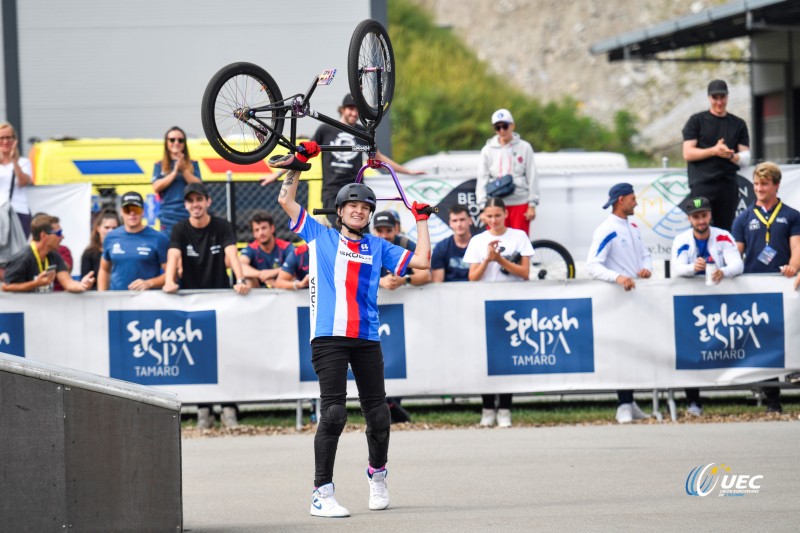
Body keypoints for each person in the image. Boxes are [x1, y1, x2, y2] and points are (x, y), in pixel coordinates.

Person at [274, 141, 431, 518]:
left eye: (365, 207)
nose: (359, 211)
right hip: (328, 337)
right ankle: (321, 492)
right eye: (352, 206)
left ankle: (377, 476)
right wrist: (297, 164)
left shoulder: (379, 246)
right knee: (333, 415)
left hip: (366, 338)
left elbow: (423, 262)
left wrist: (422, 221)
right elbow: (286, 200)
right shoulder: (319, 235)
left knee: (379, 415)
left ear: (370, 214)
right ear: (341, 211)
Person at [163, 182, 250, 429]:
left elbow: (232, 253)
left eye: (199, 199)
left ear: (208, 202)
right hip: (193, 302)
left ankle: (229, 407)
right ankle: (204, 409)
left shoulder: (221, 225)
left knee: (227, 354)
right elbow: (173, 256)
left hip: (222, 299)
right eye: (190, 201)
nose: (195, 205)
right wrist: (169, 281)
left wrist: (241, 279)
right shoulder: (180, 229)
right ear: (186, 205)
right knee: (200, 357)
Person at [732, 162, 800, 413]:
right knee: (763, 342)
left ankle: (792, 376)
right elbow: (735, 254)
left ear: (776, 185)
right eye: (757, 184)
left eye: (764, 184)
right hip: (754, 287)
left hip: (783, 285)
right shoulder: (743, 218)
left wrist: (793, 266)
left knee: (789, 334)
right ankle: (773, 400)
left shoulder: (792, 215)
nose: (759, 189)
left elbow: (797, 249)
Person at [463, 197, 534, 428]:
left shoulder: (518, 237)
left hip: (512, 303)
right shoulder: (478, 240)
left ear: (505, 214)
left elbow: (524, 272)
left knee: (507, 357)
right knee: (486, 357)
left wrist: (500, 259)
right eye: (489, 216)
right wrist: (488, 259)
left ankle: (505, 408)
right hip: (484, 303)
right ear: (483, 217)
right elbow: (473, 277)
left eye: (497, 215)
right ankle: (487, 408)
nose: (493, 220)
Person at [586, 183, 653, 424]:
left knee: (635, 351)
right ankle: (622, 404)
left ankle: (630, 401)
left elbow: (646, 254)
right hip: (617, 301)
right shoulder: (606, 229)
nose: (636, 202)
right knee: (621, 352)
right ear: (621, 200)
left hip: (636, 299)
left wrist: (646, 269)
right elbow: (592, 265)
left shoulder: (633, 227)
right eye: (633, 198)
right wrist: (618, 277)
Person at [671, 195, 743, 416]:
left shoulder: (723, 236)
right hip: (692, 305)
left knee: (732, 346)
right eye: (696, 217)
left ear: (710, 215)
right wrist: (693, 267)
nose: (701, 221)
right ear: (689, 219)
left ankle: (750, 393)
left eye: (703, 216)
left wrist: (724, 271)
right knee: (691, 351)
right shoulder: (682, 240)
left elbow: (737, 264)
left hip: (721, 304)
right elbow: (677, 267)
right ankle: (693, 401)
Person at [309, 94, 424, 224]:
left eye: (357, 110)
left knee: (360, 230)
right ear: (342, 109)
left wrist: (407, 171)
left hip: (356, 189)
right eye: (350, 109)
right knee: (339, 229)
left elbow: (379, 157)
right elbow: (306, 152)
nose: (354, 113)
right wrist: (283, 170)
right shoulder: (326, 129)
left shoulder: (363, 132)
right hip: (332, 191)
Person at [682, 79, 751, 231]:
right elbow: (687, 153)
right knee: (699, 227)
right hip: (701, 185)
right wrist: (714, 151)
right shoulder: (696, 121)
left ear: (727, 97)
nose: (719, 102)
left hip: (727, 186)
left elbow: (745, 157)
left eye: (722, 97)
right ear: (709, 98)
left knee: (724, 230)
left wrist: (729, 155)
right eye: (715, 98)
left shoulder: (738, 123)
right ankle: (699, 256)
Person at [476, 109, 539, 234]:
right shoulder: (487, 150)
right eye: (497, 127)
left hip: (519, 202)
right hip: (496, 204)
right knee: (496, 243)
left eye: (505, 126)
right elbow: (482, 178)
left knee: (520, 243)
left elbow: (532, 175)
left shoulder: (524, 147)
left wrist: (532, 205)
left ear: (512, 125)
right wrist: (483, 208)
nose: (502, 131)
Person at [3, 213, 95, 293]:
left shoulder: (54, 256)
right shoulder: (24, 257)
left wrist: (82, 285)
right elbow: (6, 286)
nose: (62, 237)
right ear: (44, 236)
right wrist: (35, 284)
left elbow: (68, 283)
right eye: (59, 233)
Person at [98, 192, 169, 291]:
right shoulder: (110, 237)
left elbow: (172, 274)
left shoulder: (159, 238)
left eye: (136, 209)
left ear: (143, 211)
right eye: (127, 209)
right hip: (117, 302)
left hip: (147, 301)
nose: (132, 213)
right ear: (121, 212)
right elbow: (104, 270)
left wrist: (149, 283)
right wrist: (102, 297)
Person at [152, 126, 202, 236]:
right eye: (172, 139)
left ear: (184, 143)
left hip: (189, 215)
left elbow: (199, 187)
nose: (176, 142)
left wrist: (184, 169)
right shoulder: (159, 165)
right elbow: (156, 187)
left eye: (180, 140)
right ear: (166, 143)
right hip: (168, 217)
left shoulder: (193, 164)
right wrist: (174, 172)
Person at [374, 210, 430, 289]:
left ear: (396, 229)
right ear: (373, 231)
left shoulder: (405, 244)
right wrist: (379, 281)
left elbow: (426, 275)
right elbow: (353, 276)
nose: (384, 236)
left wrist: (404, 280)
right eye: (379, 231)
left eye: (388, 230)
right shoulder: (365, 246)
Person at [240, 210, 292, 288]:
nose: (261, 233)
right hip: (259, 292)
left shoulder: (286, 247)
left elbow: (297, 265)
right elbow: (240, 266)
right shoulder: (251, 248)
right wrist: (260, 274)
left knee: (292, 277)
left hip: (283, 289)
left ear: (272, 228)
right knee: (248, 280)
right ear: (253, 234)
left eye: (264, 228)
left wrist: (272, 273)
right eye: (257, 230)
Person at [0, 122, 33, 236]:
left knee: (19, 250)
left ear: (15, 140)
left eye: (9, 137)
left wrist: (14, 160)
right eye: (2, 138)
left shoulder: (23, 162)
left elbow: (24, 182)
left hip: (18, 211)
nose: (5, 141)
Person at [431, 204, 473, 283]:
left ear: (470, 220)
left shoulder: (479, 245)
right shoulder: (441, 247)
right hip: (447, 293)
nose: (459, 224)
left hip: (476, 292)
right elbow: (437, 283)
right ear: (450, 223)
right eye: (455, 220)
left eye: (462, 219)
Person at [81, 209, 121, 288]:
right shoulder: (89, 253)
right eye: (106, 227)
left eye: (114, 228)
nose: (110, 231)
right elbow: (85, 282)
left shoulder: (124, 251)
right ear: (98, 228)